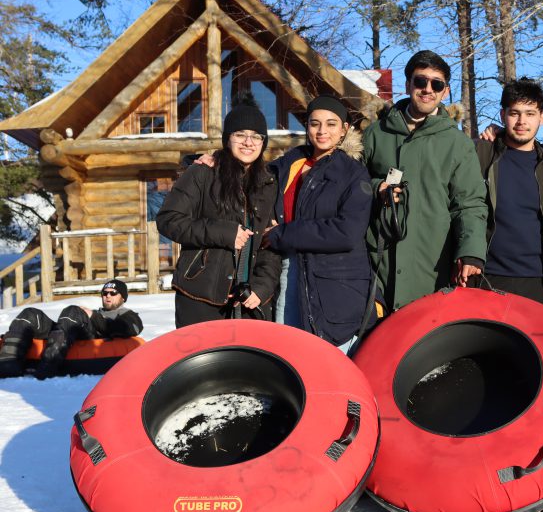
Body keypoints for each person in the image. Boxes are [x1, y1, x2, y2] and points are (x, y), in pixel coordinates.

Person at [363, 50, 488, 311]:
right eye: (420, 81)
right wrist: (376, 188)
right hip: (377, 264)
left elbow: (470, 204)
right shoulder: (376, 134)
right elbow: (352, 186)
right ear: (408, 85)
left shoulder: (458, 144)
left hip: (433, 265)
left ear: (445, 92)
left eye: (436, 84)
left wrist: (471, 251)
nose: (427, 89)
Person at [262, 95, 373, 352]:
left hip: (334, 279)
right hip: (289, 269)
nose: (322, 131)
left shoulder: (352, 173)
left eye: (331, 124)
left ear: (345, 129)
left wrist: (283, 233)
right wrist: (212, 159)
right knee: (289, 353)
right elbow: (250, 175)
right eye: (315, 123)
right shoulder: (290, 163)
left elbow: (347, 232)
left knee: (327, 359)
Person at [157, 103, 281, 328]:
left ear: (264, 143)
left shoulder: (269, 183)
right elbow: (168, 220)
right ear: (227, 139)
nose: (248, 142)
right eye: (240, 134)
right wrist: (222, 232)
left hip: (250, 301)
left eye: (256, 136)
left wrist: (262, 286)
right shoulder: (203, 173)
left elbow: (270, 240)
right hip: (201, 296)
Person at [474, 78, 543, 305]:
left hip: (536, 280)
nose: (521, 121)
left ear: (542, 117)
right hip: (486, 277)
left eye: (530, 113)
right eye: (514, 113)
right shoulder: (480, 154)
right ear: (502, 115)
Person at [0, 279, 143, 379]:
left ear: (123, 297)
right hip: (71, 331)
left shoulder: (128, 315)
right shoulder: (96, 312)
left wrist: (92, 316)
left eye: (113, 293)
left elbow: (129, 329)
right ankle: (8, 365)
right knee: (29, 314)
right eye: (105, 293)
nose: (107, 296)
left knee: (73, 311)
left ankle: (48, 367)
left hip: (91, 339)